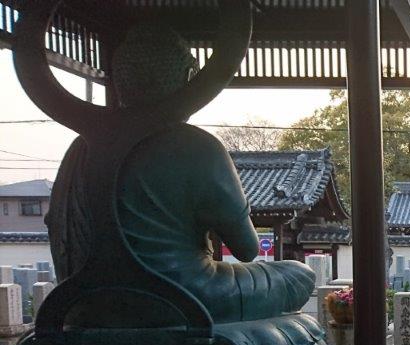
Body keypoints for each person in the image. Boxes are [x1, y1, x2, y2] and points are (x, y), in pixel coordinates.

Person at [48, 25, 314, 322]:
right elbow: (247, 248)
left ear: (119, 81)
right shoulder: (197, 146)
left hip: (87, 302)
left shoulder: (80, 147)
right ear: (189, 80)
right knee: (297, 274)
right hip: (187, 298)